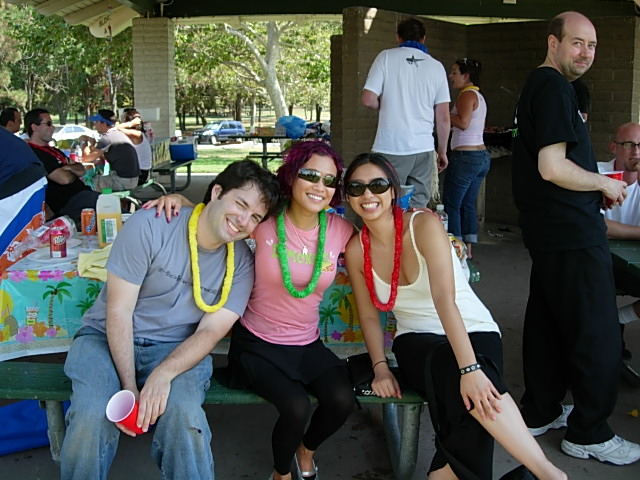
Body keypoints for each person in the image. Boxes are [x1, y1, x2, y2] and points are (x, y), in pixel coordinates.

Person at [343, 153, 566, 480]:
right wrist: (379, 368)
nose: (367, 195)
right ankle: (545, 474)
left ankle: (535, 473)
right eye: (356, 187)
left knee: (477, 383)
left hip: (472, 328)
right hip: (416, 339)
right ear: (348, 196)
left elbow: (444, 300)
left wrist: (471, 368)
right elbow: (367, 315)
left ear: (393, 190)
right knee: (461, 379)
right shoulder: (355, 250)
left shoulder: (424, 225)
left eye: (377, 185)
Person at [59, 159, 281, 480]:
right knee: (91, 414)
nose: (243, 220)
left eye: (256, 216)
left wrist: (162, 375)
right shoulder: (152, 223)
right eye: (240, 204)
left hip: (179, 348)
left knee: (185, 418)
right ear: (217, 192)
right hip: (103, 339)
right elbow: (119, 311)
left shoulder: (242, 264)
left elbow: (210, 332)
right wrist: (130, 386)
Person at [147, 141, 355, 480]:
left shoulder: (341, 230)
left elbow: (380, 240)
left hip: (306, 342)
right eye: (311, 175)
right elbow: (216, 214)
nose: (320, 186)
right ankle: (280, 473)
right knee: (296, 406)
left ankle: (307, 449)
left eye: (330, 180)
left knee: (342, 399)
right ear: (292, 175)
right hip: (258, 344)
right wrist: (178, 200)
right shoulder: (265, 222)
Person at [512, 11, 640, 464]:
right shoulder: (552, 87)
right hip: (570, 233)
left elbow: (557, 169)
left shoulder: (543, 87)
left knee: (547, 323)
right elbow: (552, 167)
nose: (586, 53)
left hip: (552, 229)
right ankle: (588, 432)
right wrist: (603, 183)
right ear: (553, 42)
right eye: (577, 43)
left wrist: (590, 187)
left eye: (592, 46)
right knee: (598, 331)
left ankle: (541, 409)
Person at [362, 17, 450, 208]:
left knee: (385, 204)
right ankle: (412, 237)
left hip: (391, 147)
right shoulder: (436, 67)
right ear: (423, 39)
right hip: (423, 149)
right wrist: (442, 151)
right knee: (418, 208)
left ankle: (388, 239)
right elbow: (443, 117)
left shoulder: (385, 57)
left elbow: (368, 99)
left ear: (398, 38)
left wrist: (384, 105)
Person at [597, 122, 640, 358]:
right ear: (614, 147)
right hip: (599, 259)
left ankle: (618, 321)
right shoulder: (597, 174)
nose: (637, 152)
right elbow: (596, 225)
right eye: (629, 145)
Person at [443, 58, 489, 260]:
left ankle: (455, 251)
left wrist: (441, 112)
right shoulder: (478, 95)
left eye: (454, 72)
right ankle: (468, 249)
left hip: (466, 157)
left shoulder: (466, 95)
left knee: (452, 204)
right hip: (480, 157)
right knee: (467, 204)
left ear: (466, 76)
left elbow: (462, 123)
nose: (451, 76)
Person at [24, 109, 99, 223]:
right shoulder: (34, 154)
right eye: (48, 124)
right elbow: (65, 179)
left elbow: (82, 170)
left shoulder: (54, 150)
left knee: (115, 206)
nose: (53, 128)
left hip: (83, 196)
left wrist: (67, 168)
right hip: (70, 203)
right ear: (35, 127)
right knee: (117, 213)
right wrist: (70, 169)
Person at [81, 109, 140, 192]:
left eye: (96, 122)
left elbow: (86, 159)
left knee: (85, 182)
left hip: (122, 181)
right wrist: (93, 144)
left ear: (104, 124)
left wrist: (84, 142)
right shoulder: (118, 134)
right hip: (132, 180)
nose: (94, 125)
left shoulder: (107, 138)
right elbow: (101, 158)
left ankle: (93, 204)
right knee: (99, 180)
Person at [118, 108, 153, 185]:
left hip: (140, 175)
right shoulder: (138, 133)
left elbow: (118, 128)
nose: (121, 122)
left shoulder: (136, 134)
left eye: (123, 119)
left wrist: (130, 124)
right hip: (142, 173)